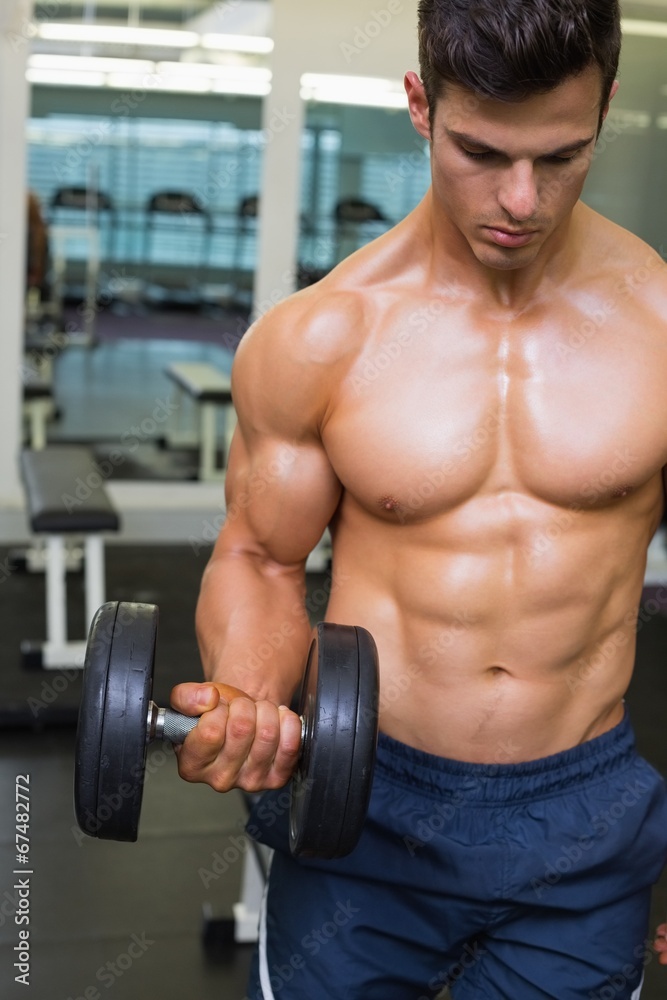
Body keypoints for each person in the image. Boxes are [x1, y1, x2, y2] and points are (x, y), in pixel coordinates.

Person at [172, 1, 667, 996]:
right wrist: (250, 700)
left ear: (605, 108)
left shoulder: (656, 324)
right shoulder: (322, 337)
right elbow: (261, 561)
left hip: (581, 815)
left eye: (562, 156)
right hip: (366, 801)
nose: (520, 199)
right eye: (481, 151)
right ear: (419, 106)